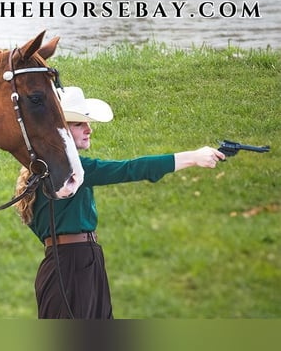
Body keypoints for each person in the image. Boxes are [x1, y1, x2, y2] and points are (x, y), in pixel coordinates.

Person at [14, 86, 224, 319]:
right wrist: (193, 157)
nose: (89, 129)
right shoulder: (65, 172)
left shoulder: (56, 172)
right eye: (79, 124)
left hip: (82, 261)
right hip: (71, 265)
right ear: (60, 130)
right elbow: (131, 169)